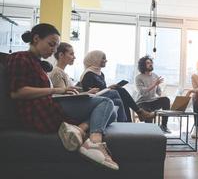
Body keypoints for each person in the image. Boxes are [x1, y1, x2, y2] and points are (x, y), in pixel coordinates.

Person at [7, 23, 119, 170]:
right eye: (51, 44)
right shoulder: (20, 58)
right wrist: (56, 91)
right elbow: (17, 92)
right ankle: (94, 143)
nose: (53, 50)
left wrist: (69, 93)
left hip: (49, 105)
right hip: (40, 112)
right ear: (36, 39)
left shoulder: (39, 64)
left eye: (56, 46)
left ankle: (78, 129)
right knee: (106, 102)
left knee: (111, 112)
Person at [49, 42, 127, 122]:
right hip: (70, 106)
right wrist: (87, 93)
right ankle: (126, 124)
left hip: (73, 102)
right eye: (71, 54)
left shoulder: (63, 73)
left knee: (117, 101)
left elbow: (69, 93)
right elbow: (64, 97)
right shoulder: (57, 73)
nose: (74, 57)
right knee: (114, 93)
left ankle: (125, 125)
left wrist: (85, 91)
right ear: (61, 55)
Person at [80, 50, 155, 122]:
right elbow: (89, 93)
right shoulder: (88, 74)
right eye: (103, 58)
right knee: (120, 91)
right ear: (95, 59)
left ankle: (129, 122)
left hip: (104, 96)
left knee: (122, 98)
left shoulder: (100, 73)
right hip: (95, 100)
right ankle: (139, 112)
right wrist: (108, 89)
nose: (106, 60)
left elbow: (102, 89)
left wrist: (109, 88)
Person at [135, 55, 171, 133]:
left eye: (151, 62)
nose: (151, 64)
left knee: (166, 100)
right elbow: (142, 92)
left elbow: (158, 91)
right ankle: (150, 131)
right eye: (148, 63)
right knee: (147, 111)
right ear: (143, 65)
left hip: (152, 101)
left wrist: (163, 95)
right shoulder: (138, 77)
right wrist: (154, 84)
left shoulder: (155, 76)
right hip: (142, 102)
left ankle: (164, 126)